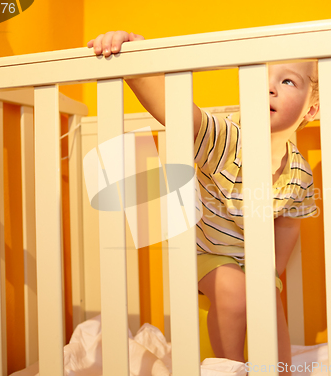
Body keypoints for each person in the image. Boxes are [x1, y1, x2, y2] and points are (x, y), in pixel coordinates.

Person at [88, 30, 319, 375]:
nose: (267, 87)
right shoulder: (228, 139)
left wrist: (273, 269)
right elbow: (179, 114)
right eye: (259, 77)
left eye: (287, 81)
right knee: (235, 292)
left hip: (253, 258)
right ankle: (231, 367)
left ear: (311, 108)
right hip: (204, 251)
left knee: (269, 301)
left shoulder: (299, 171)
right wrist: (137, 63)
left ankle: (280, 371)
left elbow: (289, 222)